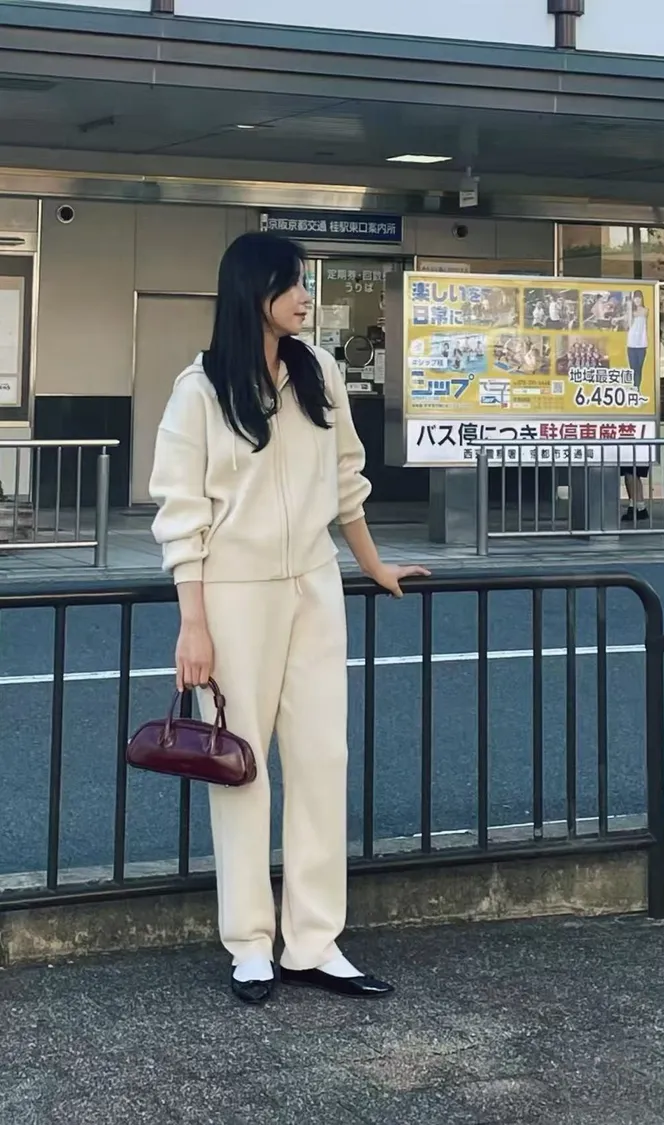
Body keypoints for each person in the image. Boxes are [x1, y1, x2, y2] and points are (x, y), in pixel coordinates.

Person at [149, 232, 429, 1006]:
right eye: (292, 284)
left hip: (314, 583)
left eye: (305, 283)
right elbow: (180, 513)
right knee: (239, 764)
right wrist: (193, 622)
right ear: (253, 292)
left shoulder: (320, 372)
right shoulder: (200, 389)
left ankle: (313, 939)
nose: (307, 296)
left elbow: (346, 480)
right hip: (232, 594)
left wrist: (371, 564)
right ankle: (249, 941)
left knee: (321, 759)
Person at [621, 290, 650, 522]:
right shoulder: (630, 312)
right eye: (634, 298)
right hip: (631, 343)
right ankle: (636, 506)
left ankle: (639, 506)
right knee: (630, 473)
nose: (636, 301)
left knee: (632, 472)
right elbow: (626, 322)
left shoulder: (643, 310)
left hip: (641, 344)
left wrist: (630, 309)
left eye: (638, 297)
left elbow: (639, 315)